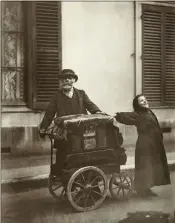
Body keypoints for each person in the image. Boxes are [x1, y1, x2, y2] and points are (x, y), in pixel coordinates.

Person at [39, 69, 104, 175]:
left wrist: (98, 112)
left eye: (69, 78)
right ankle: (66, 182)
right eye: (63, 79)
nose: (66, 80)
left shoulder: (81, 94)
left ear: (74, 80)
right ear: (60, 81)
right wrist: (43, 128)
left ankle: (89, 182)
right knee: (63, 158)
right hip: (63, 133)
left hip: (81, 132)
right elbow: (49, 113)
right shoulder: (57, 96)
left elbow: (90, 105)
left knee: (84, 157)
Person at [113, 94, 171, 197]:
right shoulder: (138, 114)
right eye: (141, 101)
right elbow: (126, 116)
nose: (145, 101)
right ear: (137, 105)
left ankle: (147, 188)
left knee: (151, 166)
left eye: (145, 100)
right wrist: (116, 115)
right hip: (145, 144)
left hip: (154, 143)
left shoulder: (149, 112)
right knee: (145, 166)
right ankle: (141, 190)